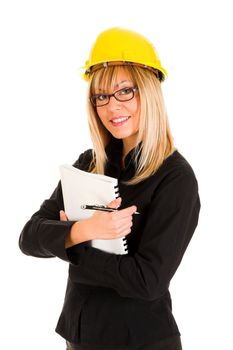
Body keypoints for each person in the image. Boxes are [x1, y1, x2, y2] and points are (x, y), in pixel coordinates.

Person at [19, 27, 201, 350]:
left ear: (148, 90)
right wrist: (83, 231)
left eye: (124, 91)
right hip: (80, 338)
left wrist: (71, 248)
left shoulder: (176, 178)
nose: (111, 106)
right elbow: (30, 237)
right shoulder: (88, 164)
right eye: (101, 96)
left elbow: (147, 281)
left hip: (142, 342)